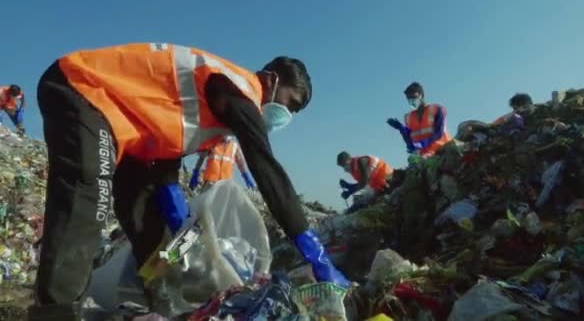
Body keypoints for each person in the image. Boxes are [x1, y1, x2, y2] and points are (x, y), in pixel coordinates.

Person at [29, 43, 349, 320]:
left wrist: (174, 205)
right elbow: (266, 166)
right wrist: (311, 248)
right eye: (289, 103)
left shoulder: (216, 113)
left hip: (129, 127)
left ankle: (153, 301)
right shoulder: (240, 88)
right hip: (84, 89)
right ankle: (54, 313)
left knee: (147, 221)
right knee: (87, 196)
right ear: (271, 79)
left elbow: (167, 145)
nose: (284, 115)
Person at [387, 82, 452, 157]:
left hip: (443, 150)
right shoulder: (408, 117)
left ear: (421, 95)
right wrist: (401, 128)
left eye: (414, 97)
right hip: (424, 156)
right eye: (409, 99)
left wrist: (424, 143)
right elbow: (410, 139)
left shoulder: (437, 109)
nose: (412, 101)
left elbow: (439, 132)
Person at [189, 135, 256, 190]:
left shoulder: (235, 146)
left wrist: (246, 177)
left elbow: (241, 164)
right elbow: (201, 158)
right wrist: (195, 173)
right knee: (205, 205)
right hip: (210, 182)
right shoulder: (213, 142)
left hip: (225, 185)